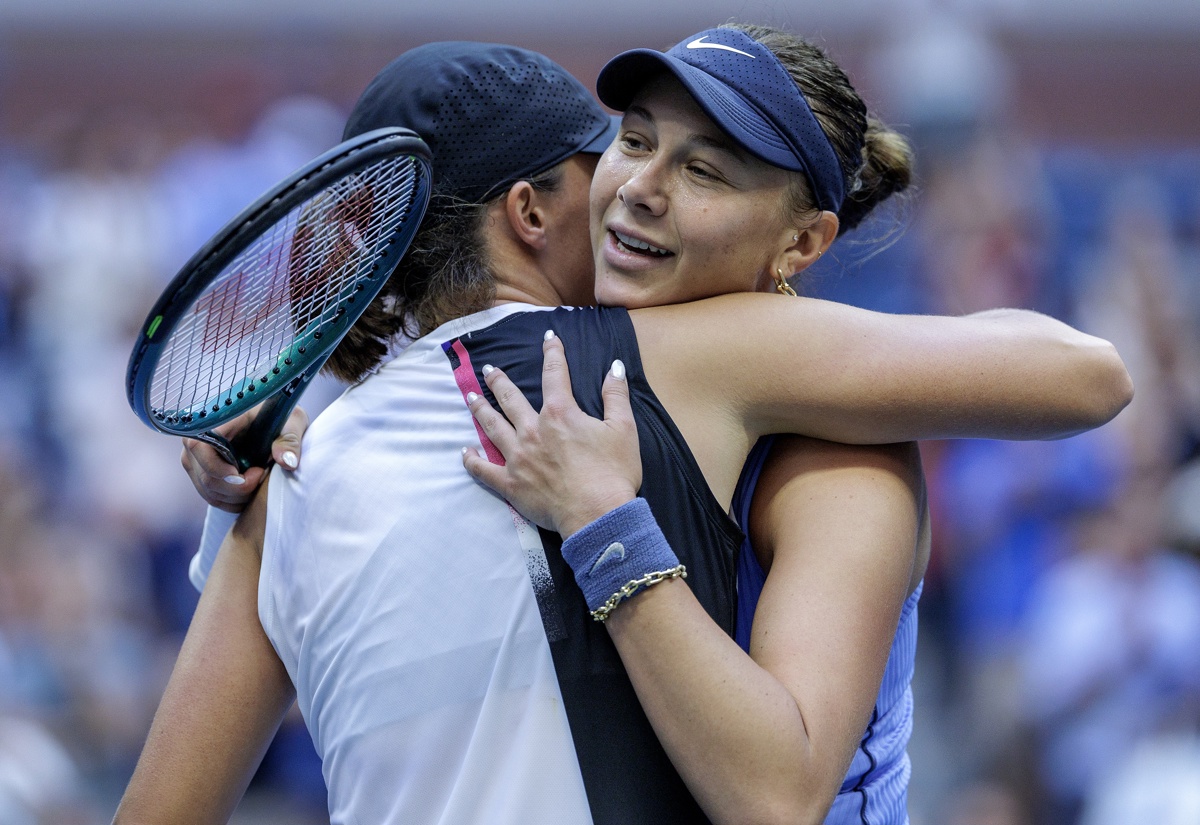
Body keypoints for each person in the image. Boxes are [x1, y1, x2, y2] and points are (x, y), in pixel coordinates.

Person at [118, 30, 1131, 825]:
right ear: (530, 212)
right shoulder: (656, 363)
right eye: (627, 145)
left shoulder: (297, 472)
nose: (637, 187)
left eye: (706, 170)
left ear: (804, 241)